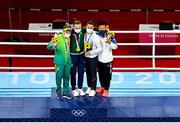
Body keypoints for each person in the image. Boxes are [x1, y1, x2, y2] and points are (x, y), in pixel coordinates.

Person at [47, 23, 72, 100]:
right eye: (67, 30)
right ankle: (58, 92)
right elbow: (48, 46)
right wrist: (53, 44)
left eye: (69, 31)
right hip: (59, 62)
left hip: (68, 62)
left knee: (67, 77)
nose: (68, 32)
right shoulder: (57, 37)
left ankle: (66, 92)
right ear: (63, 30)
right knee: (58, 77)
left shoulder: (69, 38)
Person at [96, 21, 118, 97]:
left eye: (103, 28)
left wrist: (109, 42)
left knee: (107, 76)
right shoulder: (96, 35)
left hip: (108, 60)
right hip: (99, 59)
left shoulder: (110, 35)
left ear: (106, 28)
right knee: (100, 74)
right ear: (98, 28)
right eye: (100, 28)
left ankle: (106, 89)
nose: (102, 29)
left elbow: (115, 46)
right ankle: (102, 87)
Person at [84, 20, 102, 97]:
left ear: (93, 28)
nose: (89, 29)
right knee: (87, 73)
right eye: (88, 27)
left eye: (91, 28)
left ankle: (93, 89)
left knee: (93, 74)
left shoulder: (96, 36)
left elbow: (100, 48)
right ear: (86, 27)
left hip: (93, 57)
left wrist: (91, 52)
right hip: (85, 56)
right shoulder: (84, 34)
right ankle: (89, 87)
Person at [70, 20, 86, 96]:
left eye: (79, 27)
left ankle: (80, 88)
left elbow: (91, 27)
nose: (78, 29)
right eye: (76, 28)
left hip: (81, 55)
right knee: (73, 72)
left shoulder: (83, 30)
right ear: (73, 27)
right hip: (72, 55)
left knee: (81, 71)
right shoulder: (69, 32)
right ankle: (73, 89)